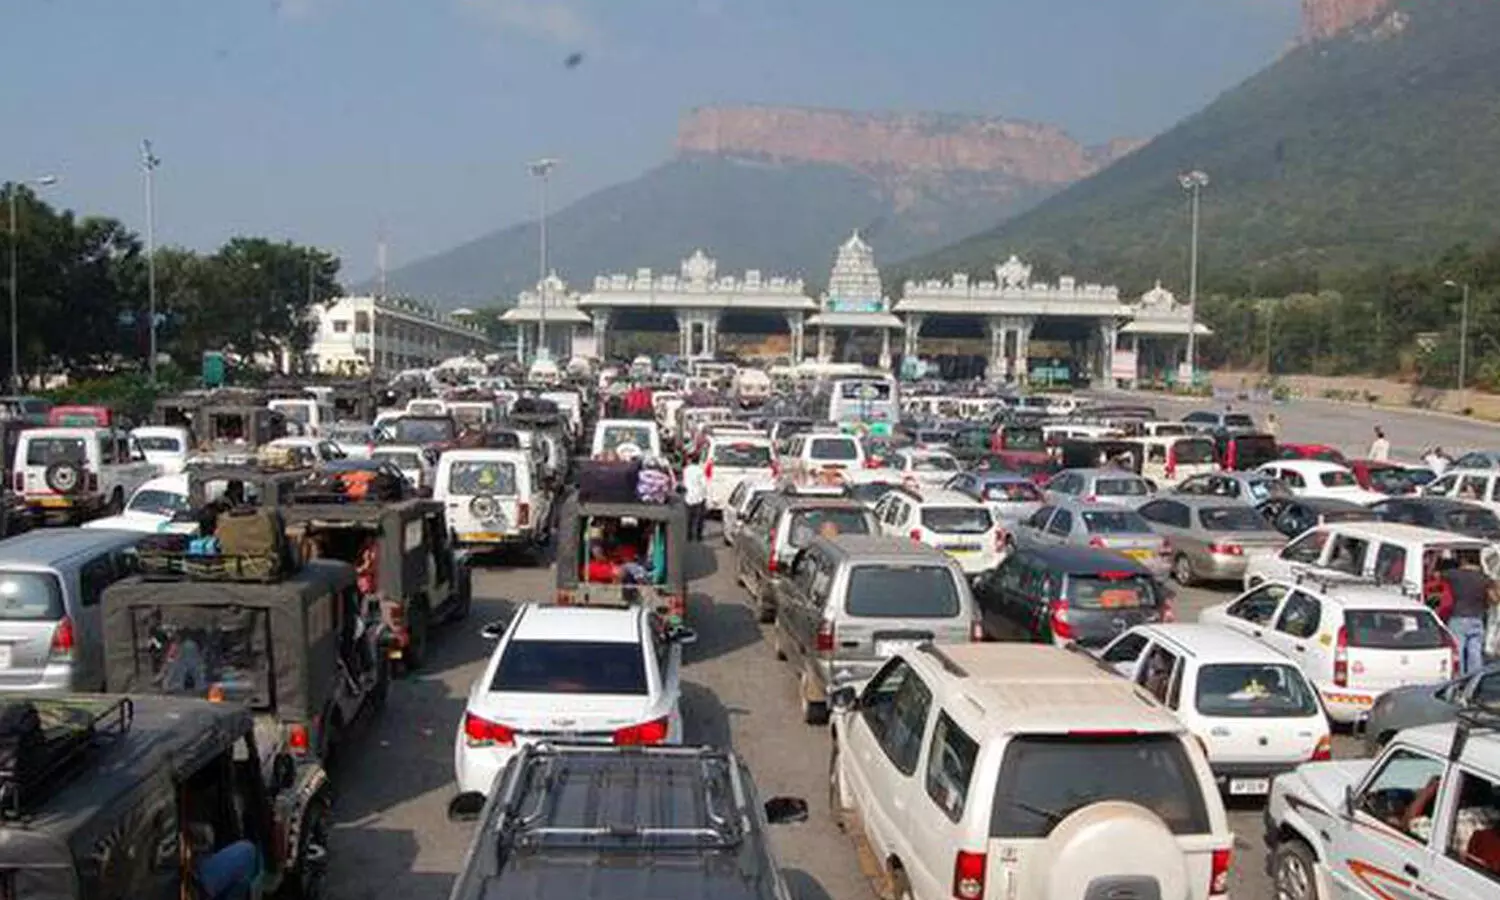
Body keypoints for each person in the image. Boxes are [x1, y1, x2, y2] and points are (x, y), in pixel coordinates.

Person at [1442, 552, 1500, 675]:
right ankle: (1473, 680)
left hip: (1458, 618)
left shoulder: (1454, 574)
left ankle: (1458, 681)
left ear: (1463, 560)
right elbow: (1495, 598)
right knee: (1475, 654)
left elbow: (1436, 575)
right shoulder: (1484, 578)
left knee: (1457, 654)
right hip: (1477, 619)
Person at [682, 455, 708, 542]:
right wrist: (705, 495)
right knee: (699, 518)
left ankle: (688, 535)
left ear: (690, 461)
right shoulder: (700, 470)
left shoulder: (686, 470)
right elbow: (704, 484)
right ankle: (698, 536)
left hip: (689, 496)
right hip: (699, 497)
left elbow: (684, 483)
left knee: (689, 517)